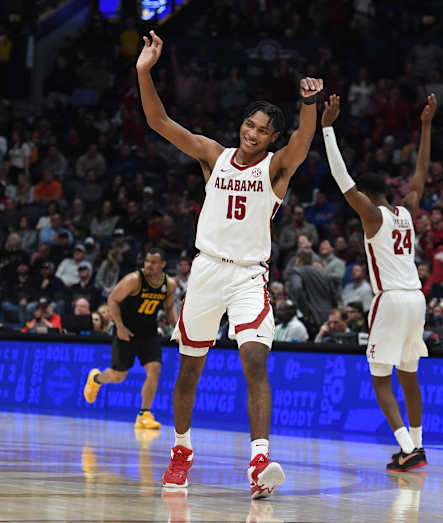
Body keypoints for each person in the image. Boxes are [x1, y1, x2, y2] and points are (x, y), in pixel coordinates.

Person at [136, 31, 323, 496]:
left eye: (263, 130)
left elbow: (302, 143)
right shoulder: (212, 156)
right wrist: (144, 70)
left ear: (271, 139)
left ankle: (260, 462)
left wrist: (309, 104)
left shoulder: (275, 169)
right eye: (250, 124)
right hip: (206, 271)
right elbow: (159, 121)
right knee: (189, 370)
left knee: (255, 362)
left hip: (248, 276)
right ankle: (181, 452)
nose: (253, 132)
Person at [320, 93, 435, 472]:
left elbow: (342, 180)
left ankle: (406, 446)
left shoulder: (372, 215)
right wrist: (426, 126)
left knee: (380, 378)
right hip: (417, 298)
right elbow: (420, 176)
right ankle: (416, 444)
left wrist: (327, 129)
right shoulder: (407, 211)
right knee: (409, 375)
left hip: (390, 300)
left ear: (368, 195)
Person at [83, 248, 177, 431]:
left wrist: (177, 328)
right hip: (126, 331)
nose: (149, 265)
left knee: (155, 369)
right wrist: (119, 326)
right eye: (147, 261)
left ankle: (144, 414)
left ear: (163, 265)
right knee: (118, 376)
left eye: (153, 262)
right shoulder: (134, 280)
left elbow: (168, 306)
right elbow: (112, 299)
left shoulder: (169, 284)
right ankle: (96, 379)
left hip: (149, 333)